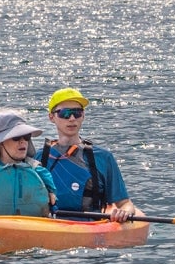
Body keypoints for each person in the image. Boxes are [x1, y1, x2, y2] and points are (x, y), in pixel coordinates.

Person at [38, 88, 141, 222]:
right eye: (64, 113)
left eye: (77, 113)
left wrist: (124, 212)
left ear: (83, 116)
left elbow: (125, 203)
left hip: (91, 228)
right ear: (52, 117)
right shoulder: (40, 158)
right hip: (51, 225)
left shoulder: (103, 157)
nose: (72, 118)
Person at [0, 110, 57, 217]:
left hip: (32, 224)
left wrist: (52, 194)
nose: (23, 141)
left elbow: (52, 192)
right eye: (16, 137)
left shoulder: (37, 169)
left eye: (26, 137)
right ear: (0, 143)